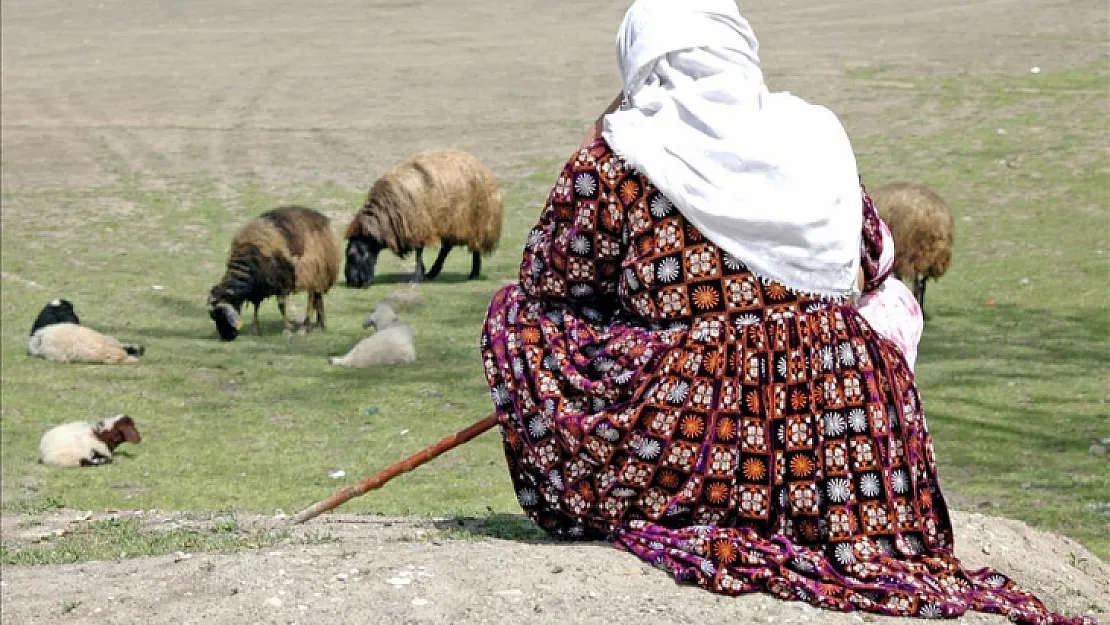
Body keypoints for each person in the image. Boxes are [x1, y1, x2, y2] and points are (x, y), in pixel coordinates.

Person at [480, 1, 1090, 623]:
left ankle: (639, 491)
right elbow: (875, 253)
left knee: (515, 321)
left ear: (638, 60)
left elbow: (550, 283)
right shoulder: (814, 134)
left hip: (700, 424)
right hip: (849, 434)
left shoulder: (617, 160)